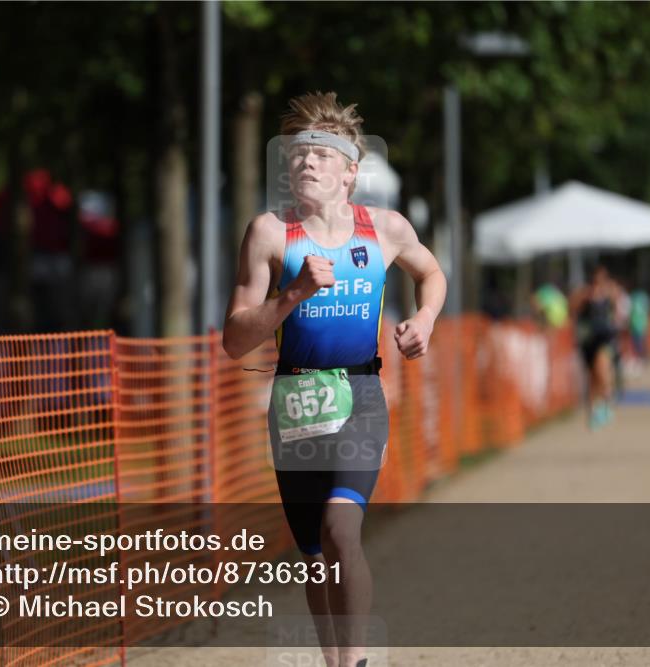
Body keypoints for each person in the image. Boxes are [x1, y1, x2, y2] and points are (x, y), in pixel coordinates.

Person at [222, 91, 446, 667]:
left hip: (360, 396)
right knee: (316, 554)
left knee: (341, 527)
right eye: (298, 153)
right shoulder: (270, 234)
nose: (306, 162)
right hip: (294, 403)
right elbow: (234, 339)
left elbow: (431, 272)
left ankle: (357, 661)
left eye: (321, 153)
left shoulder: (385, 229)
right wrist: (291, 295)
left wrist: (423, 318)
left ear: (350, 171)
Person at [570, 265, 619, 430]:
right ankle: (593, 412)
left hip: (604, 339)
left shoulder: (610, 292)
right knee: (592, 378)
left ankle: (606, 404)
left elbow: (619, 309)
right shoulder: (585, 294)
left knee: (602, 370)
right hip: (588, 340)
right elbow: (573, 308)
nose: (598, 282)